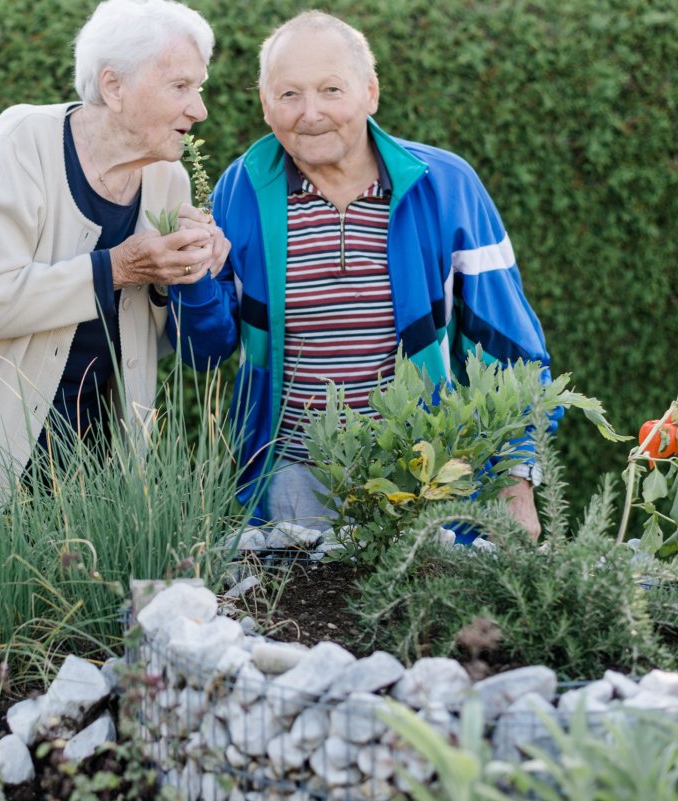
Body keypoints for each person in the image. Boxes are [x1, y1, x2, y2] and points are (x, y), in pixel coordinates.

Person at [167, 11, 554, 540]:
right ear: (265, 104)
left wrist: (515, 486)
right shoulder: (241, 190)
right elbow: (204, 351)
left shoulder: (446, 186)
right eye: (289, 95)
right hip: (290, 485)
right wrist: (191, 278)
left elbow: (511, 350)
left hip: (428, 480)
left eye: (331, 89)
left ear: (370, 92)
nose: (311, 113)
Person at [0, 0, 228, 499]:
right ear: (114, 86)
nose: (199, 109)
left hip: (87, 471)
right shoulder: (23, 141)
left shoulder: (168, 179)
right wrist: (119, 268)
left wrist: (193, 272)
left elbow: (164, 342)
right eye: (180, 87)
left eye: (199, 88)